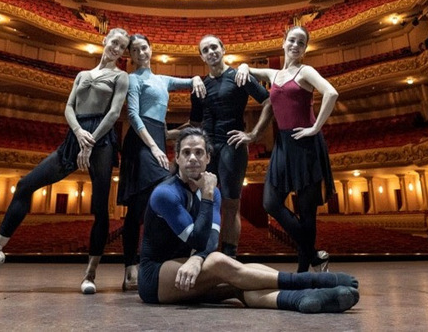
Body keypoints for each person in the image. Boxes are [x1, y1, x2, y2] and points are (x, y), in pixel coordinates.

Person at [138, 126, 359, 313]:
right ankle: (310, 281)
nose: (192, 158)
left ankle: (301, 299)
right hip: (156, 278)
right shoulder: (165, 194)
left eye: (198, 152)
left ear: (208, 158)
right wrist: (198, 255)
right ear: (176, 158)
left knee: (240, 285)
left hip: (190, 269)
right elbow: (198, 240)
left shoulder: (211, 190)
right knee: (218, 261)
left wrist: (197, 258)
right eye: (186, 153)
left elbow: (212, 240)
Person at [0, 27, 130, 294]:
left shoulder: (120, 77)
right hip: (77, 133)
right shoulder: (82, 75)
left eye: (122, 47)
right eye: (114, 43)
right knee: (26, 185)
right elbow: (69, 107)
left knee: (100, 207)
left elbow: (115, 112)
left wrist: (90, 140)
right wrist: (78, 134)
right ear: (104, 41)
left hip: (101, 139)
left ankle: (90, 274)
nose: (116, 49)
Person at [235, 25, 337, 273]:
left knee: (306, 211)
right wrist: (243, 66)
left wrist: (315, 129)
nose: (295, 45)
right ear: (283, 42)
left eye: (300, 43)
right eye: (292, 40)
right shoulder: (273, 75)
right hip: (283, 144)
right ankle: (314, 255)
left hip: (306, 143)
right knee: (270, 203)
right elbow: (248, 69)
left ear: (304, 49)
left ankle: (303, 272)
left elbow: (331, 93)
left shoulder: (306, 71)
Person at [118, 33, 205, 291]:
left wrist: (198, 78)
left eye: (143, 48)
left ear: (151, 49)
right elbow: (133, 115)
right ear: (131, 56)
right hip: (140, 143)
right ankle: (129, 269)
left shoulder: (162, 80)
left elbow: (190, 82)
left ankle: (157, 264)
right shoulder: (132, 79)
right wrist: (155, 146)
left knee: (146, 205)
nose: (140, 53)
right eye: (135, 51)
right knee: (143, 203)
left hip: (156, 138)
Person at [189, 34, 271, 257]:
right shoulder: (200, 85)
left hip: (231, 146)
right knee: (203, 202)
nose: (211, 52)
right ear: (202, 56)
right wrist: (164, 133)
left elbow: (268, 101)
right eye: (205, 50)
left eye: (214, 47)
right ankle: (204, 254)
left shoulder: (239, 76)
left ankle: (228, 256)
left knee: (230, 204)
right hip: (206, 150)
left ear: (223, 49)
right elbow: (195, 123)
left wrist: (253, 134)